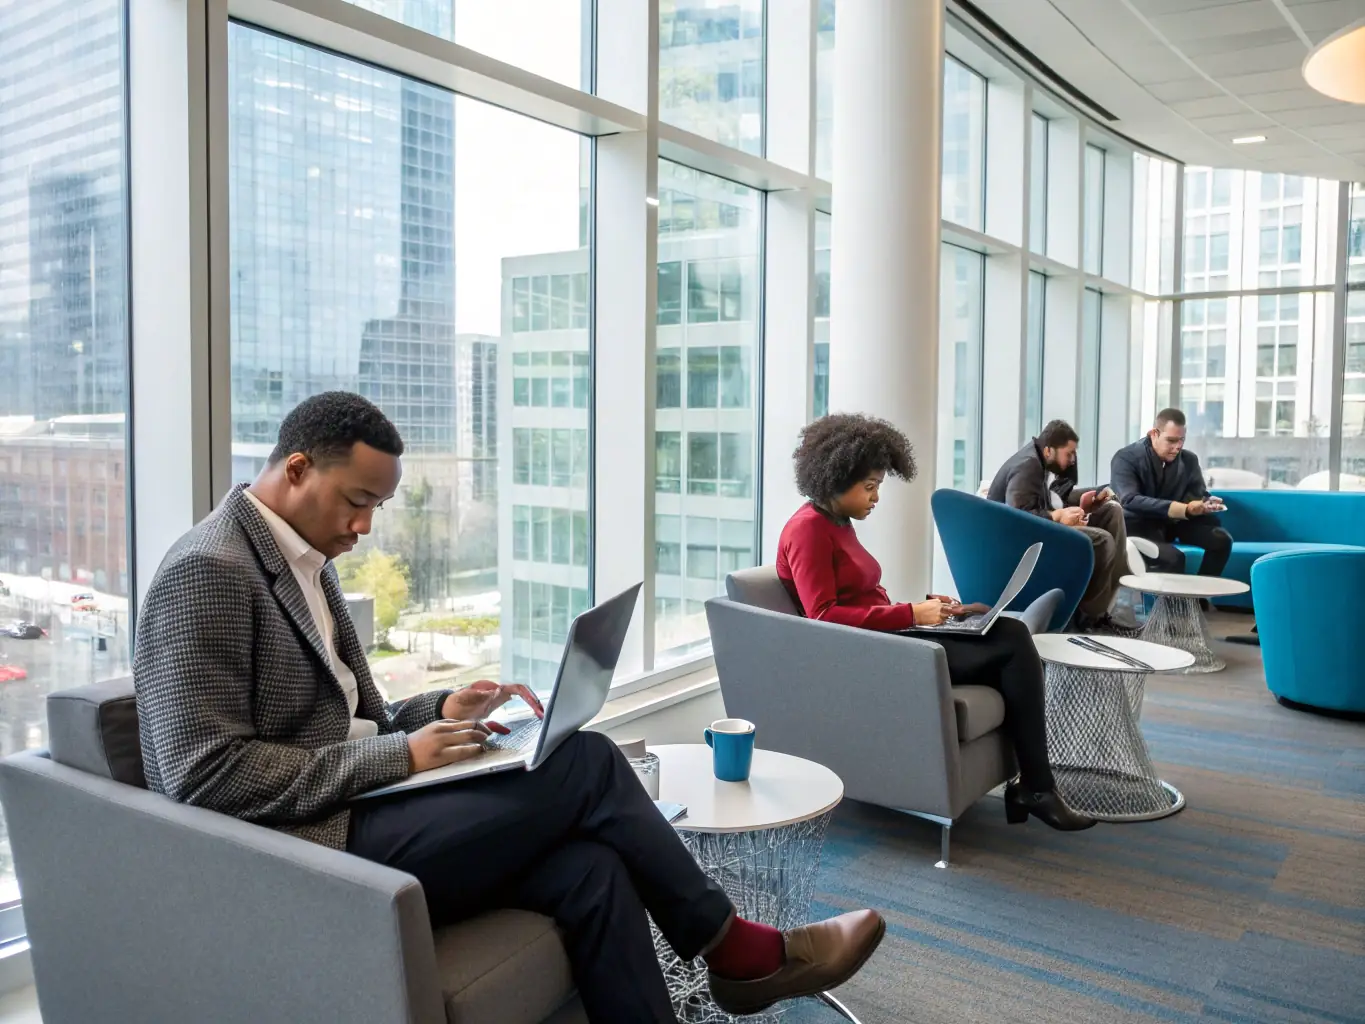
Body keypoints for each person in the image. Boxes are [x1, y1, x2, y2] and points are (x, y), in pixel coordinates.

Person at [133, 392, 885, 1023]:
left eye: (375, 507)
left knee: (591, 868)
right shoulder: (209, 572)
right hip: (316, 847)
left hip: (375, 803)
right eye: (357, 501)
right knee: (587, 763)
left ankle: (724, 967)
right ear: (296, 469)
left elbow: (354, 714)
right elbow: (200, 774)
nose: (364, 528)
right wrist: (402, 756)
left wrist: (440, 709)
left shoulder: (308, 558)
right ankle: (738, 952)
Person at [776, 413, 1094, 833]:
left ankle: (1032, 784)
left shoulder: (838, 523)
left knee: (995, 625)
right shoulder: (808, 531)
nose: (876, 498)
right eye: (869, 487)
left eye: (878, 487)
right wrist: (910, 616)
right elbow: (824, 618)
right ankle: (1035, 788)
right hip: (874, 655)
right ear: (834, 480)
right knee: (1012, 639)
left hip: (892, 637)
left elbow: (863, 598)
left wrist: (928, 609)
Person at [986, 420, 1134, 633]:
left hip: (1041, 529)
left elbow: (1051, 498)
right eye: (1069, 454)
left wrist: (1085, 501)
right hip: (1021, 543)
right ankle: (1089, 620)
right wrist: (1057, 516)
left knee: (1112, 512)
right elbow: (1017, 519)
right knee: (1101, 540)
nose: (1073, 460)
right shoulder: (1027, 465)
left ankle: (1103, 609)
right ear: (1049, 450)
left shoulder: (1041, 462)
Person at [1110, 408, 1232, 579]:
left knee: (1222, 540)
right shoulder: (1125, 458)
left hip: (1174, 523)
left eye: (1181, 440)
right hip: (1139, 525)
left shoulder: (1189, 460)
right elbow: (1129, 500)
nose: (1177, 447)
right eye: (1171, 440)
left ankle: (1199, 598)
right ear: (1153, 434)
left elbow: (1197, 492)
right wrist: (1183, 508)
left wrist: (1205, 503)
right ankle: (1168, 606)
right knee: (1174, 558)